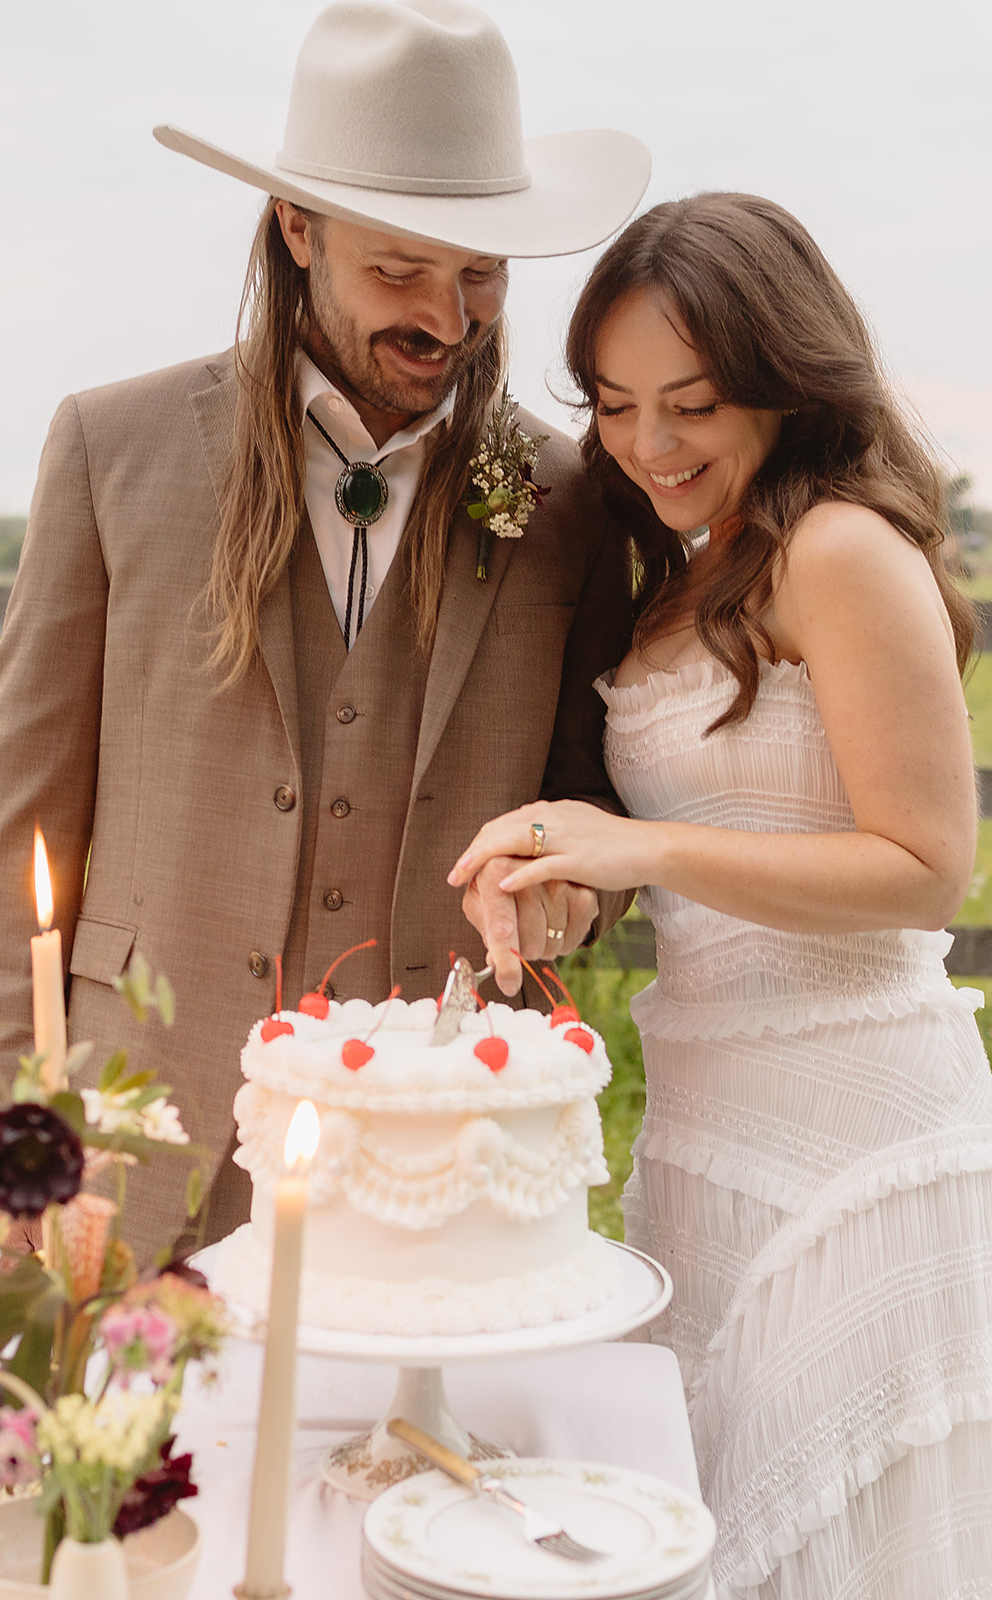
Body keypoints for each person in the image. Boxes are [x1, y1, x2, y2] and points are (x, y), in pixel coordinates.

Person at [0, 0, 651, 1264]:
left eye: (481, 274)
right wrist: (23, 1152)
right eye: (398, 270)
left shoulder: (569, 499)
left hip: (425, 1172)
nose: (446, 319)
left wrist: (567, 895)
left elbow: (589, 809)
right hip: (134, 1144)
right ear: (295, 228)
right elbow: (25, 833)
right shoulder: (112, 449)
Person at [449, 193, 992, 1597]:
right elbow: (707, 842)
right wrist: (560, 884)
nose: (647, 444)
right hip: (704, 1132)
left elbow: (925, 868)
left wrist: (642, 849)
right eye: (614, 404)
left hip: (849, 1140)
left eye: (689, 404)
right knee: (683, 1530)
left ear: (785, 380)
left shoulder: (839, 550)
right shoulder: (682, 574)